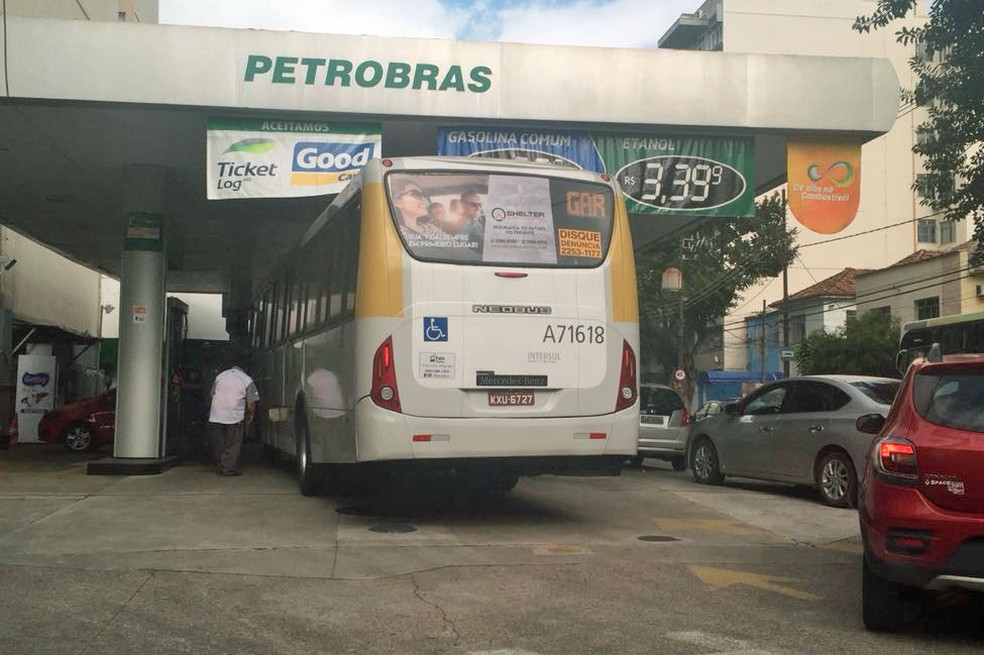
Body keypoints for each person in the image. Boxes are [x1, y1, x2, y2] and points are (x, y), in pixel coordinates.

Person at [208, 356, 259, 476]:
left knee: (220, 442)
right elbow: (251, 403)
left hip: (216, 415)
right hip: (234, 416)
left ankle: (220, 465)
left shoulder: (220, 376)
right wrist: (250, 415)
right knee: (233, 443)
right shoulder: (247, 379)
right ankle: (228, 468)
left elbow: (212, 395)